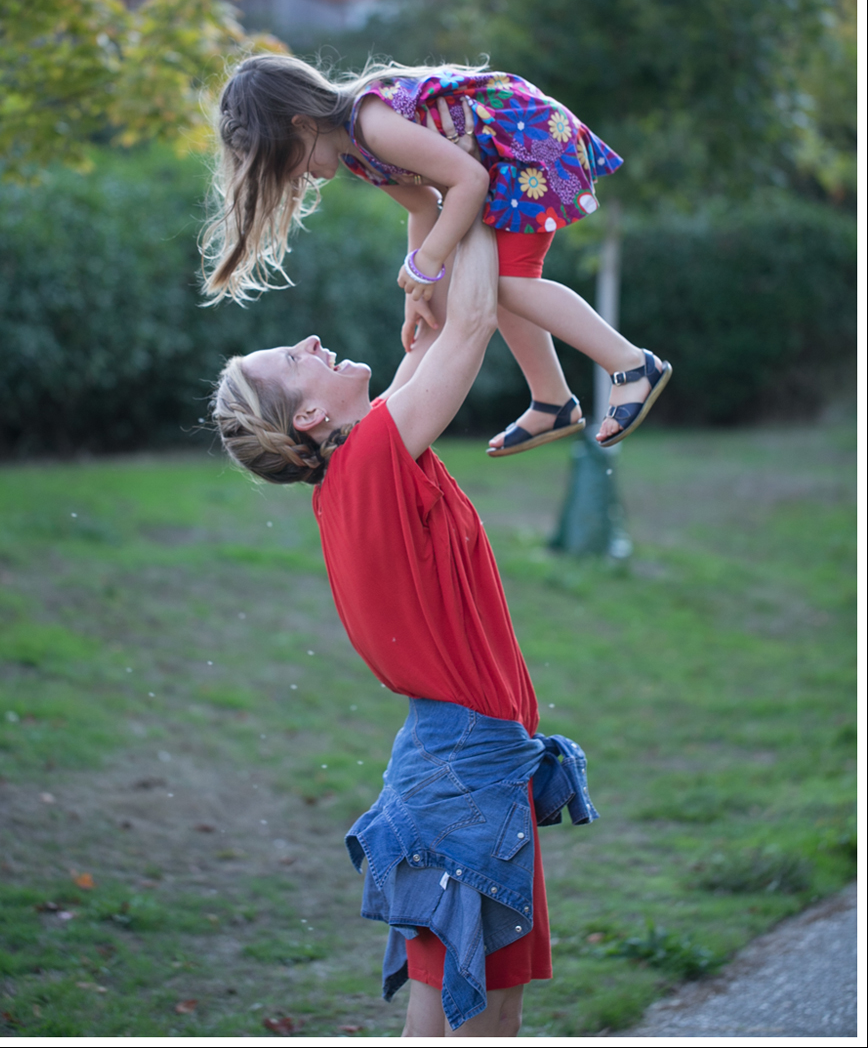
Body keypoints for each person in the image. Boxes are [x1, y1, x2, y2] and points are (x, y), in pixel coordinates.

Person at [211, 213, 599, 1037]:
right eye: (294, 359)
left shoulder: (372, 455)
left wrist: (433, 209)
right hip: (465, 767)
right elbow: (470, 318)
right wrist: (486, 184)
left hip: (474, 758)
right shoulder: (374, 458)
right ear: (310, 419)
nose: (311, 340)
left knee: (494, 1001)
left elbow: (432, 324)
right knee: (458, 1002)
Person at [202, 55, 672, 454]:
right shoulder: (355, 151)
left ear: (302, 125)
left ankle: (631, 364)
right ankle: (552, 400)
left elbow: (470, 181)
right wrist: (418, 286)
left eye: (292, 163)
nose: (299, 179)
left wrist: (428, 263)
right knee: (508, 283)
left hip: (529, 146)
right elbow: (423, 204)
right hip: (504, 158)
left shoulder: (372, 123)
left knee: (509, 285)